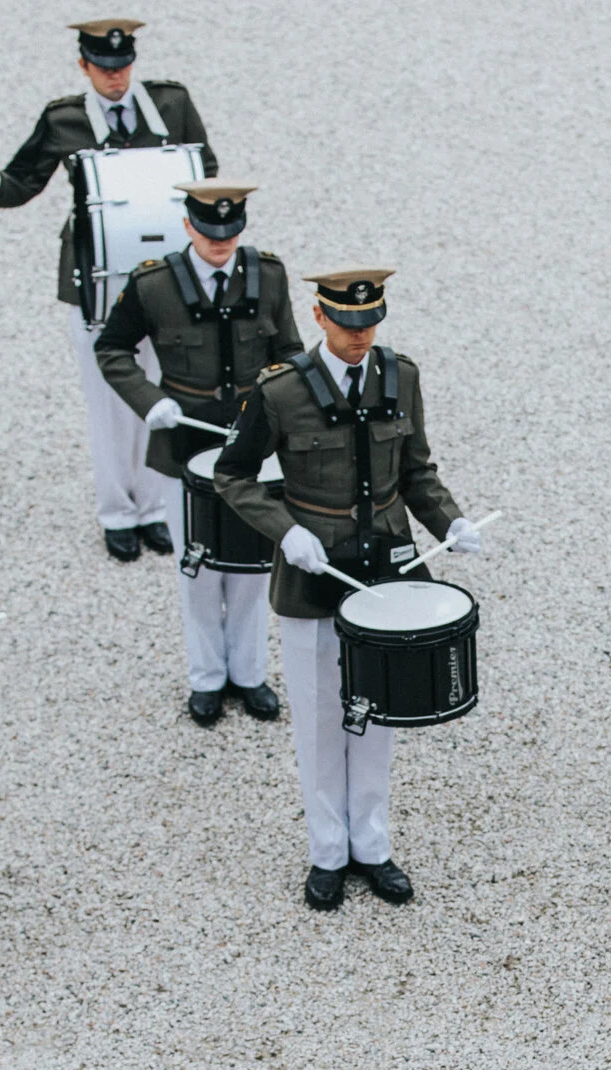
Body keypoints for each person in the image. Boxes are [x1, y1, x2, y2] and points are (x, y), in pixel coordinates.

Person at [212, 269, 483, 911]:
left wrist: (451, 520)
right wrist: (284, 531)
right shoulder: (279, 392)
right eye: (347, 324)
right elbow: (233, 475)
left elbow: (416, 470)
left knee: (377, 714)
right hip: (314, 573)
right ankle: (327, 852)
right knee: (317, 717)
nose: (360, 337)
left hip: (385, 571)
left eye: (370, 325)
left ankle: (373, 846)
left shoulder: (401, 377)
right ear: (319, 317)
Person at [0, 19, 218, 561]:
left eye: (123, 66)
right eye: (104, 68)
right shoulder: (64, 118)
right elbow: (18, 185)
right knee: (108, 397)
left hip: (165, 276)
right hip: (97, 276)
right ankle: (116, 512)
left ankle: (155, 506)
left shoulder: (172, 104)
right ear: (84, 67)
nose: (116, 77)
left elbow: (205, 173)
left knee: (165, 387)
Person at [95, 181, 302, 724]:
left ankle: (250, 673)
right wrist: (149, 400)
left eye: (231, 233)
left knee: (256, 568)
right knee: (198, 567)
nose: (221, 242)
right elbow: (112, 349)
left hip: (251, 446)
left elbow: (288, 353)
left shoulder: (269, 276)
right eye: (210, 232)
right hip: (183, 443)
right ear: (189, 226)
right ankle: (207, 677)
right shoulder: (154, 284)